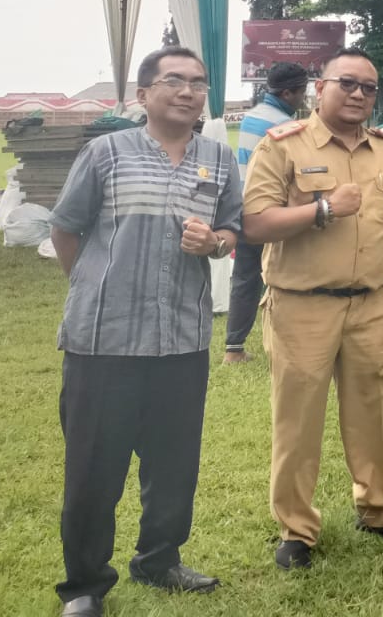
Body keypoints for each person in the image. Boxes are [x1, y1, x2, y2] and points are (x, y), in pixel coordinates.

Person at [49, 46, 241, 615]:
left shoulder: (219, 159)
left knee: (174, 463)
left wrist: (218, 243)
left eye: (199, 83)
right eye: (174, 81)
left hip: (181, 340)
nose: (188, 92)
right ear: (143, 94)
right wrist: (93, 284)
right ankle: (84, 586)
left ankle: (160, 558)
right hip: (102, 341)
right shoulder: (105, 153)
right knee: (93, 469)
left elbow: (233, 228)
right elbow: (65, 230)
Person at [242, 48, 383, 570]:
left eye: (369, 87)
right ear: (320, 88)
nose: (359, 94)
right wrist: (321, 209)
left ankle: (382, 510)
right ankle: (297, 530)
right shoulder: (284, 146)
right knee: (298, 421)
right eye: (348, 83)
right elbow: (254, 223)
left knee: (379, 411)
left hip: (370, 302)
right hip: (302, 305)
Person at [225, 61, 310, 364]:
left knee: (245, 278)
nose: (304, 98)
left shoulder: (252, 116)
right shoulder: (283, 126)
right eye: (302, 92)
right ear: (288, 93)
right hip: (274, 212)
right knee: (287, 276)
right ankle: (290, 343)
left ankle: (233, 348)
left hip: (244, 208)